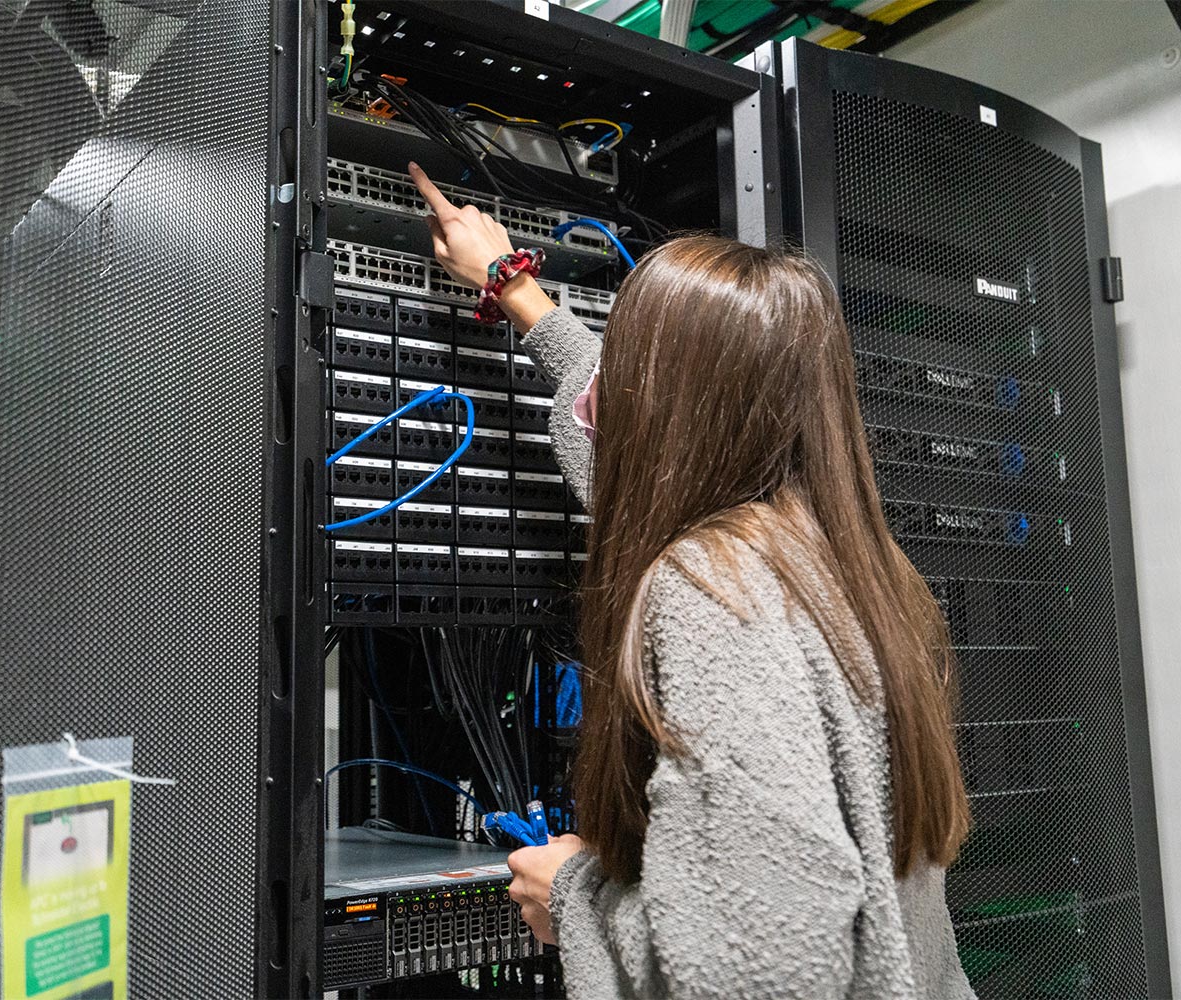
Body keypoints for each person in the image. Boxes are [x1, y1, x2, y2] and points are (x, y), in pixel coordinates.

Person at [409, 162, 976, 1000]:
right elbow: (635, 439)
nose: (612, 403)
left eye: (634, 376)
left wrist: (574, 899)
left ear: (668, 410)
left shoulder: (717, 591)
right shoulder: (861, 570)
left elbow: (761, 972)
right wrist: (511, 287)